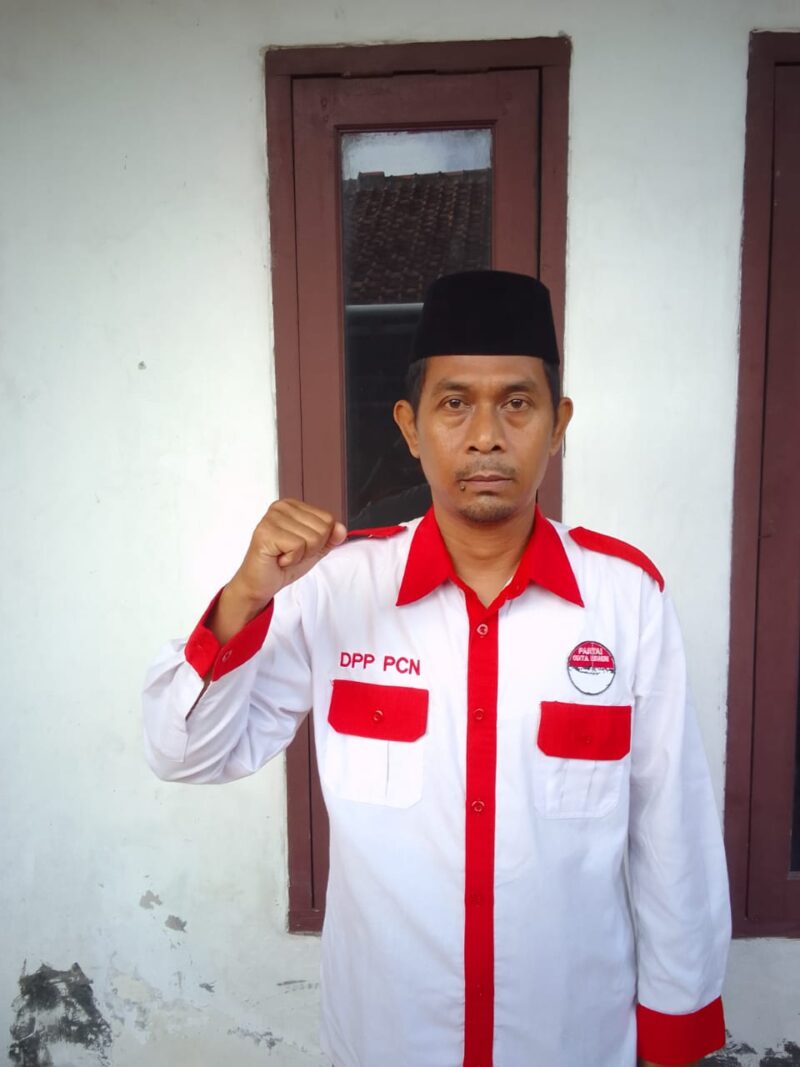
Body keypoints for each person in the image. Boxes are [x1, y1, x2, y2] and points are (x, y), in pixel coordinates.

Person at [143, 270, 731, 1067]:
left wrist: (676, 1030)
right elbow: (184, 752)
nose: (486, 435)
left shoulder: (626, 600)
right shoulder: (336, 587)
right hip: (389, 1039)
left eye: (517, 403)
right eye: (455, 403)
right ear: (410, 427)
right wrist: (244, 596)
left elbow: (673, 832)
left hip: (569, 1039)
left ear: (558, 424)